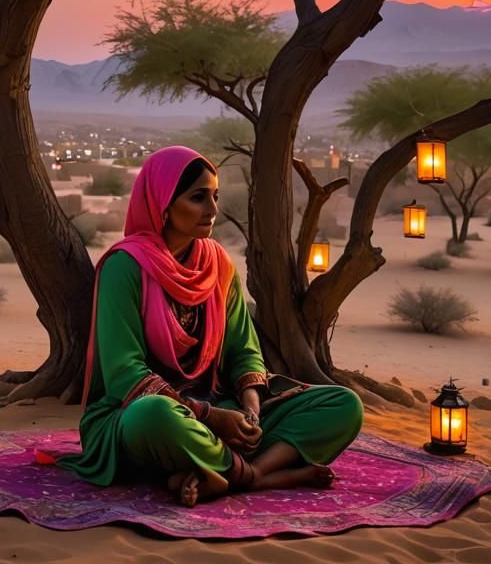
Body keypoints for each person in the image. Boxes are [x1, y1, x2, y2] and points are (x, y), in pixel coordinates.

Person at [57, 145, 364, 507]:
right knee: (153, 415)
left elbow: (244, 351)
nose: (213, 209)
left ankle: (223, 471)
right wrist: (212, 418)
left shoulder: (218, 265)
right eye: (198, 197)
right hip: (139, 415)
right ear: (164, 204)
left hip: (219, 405)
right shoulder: (124, 267)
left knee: (343, 404)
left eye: (215, 196)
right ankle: (257, 476)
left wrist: (249, 408)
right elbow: (125, 375)